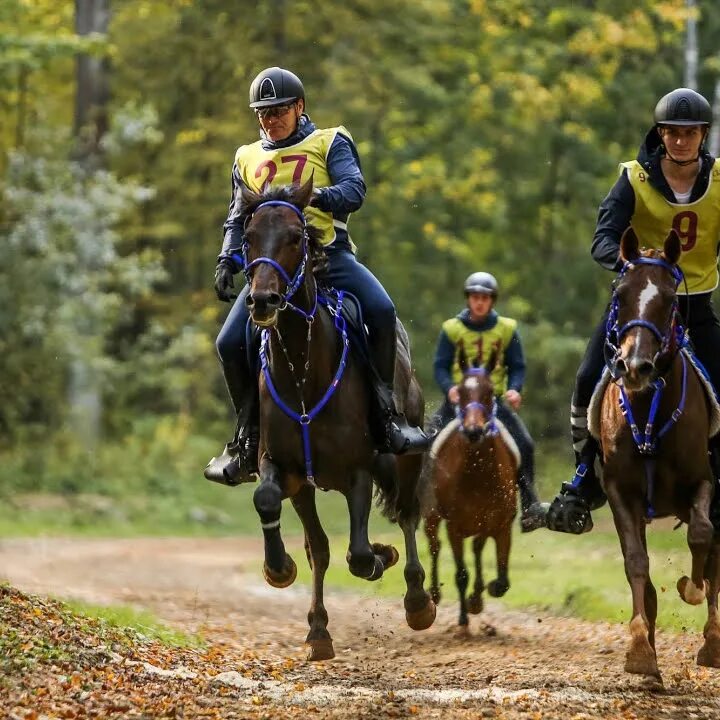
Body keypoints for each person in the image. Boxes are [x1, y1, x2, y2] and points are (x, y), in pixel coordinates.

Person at [204, 67, 427, 486]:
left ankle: (386, 418)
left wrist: (312, 197)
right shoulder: (246, 157)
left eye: (279, 111)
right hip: (271, 268)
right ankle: (247, 437)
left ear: (299, 107)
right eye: (263, 114)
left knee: (381, 310)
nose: (271, 120)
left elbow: (354, 190)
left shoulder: (330, 141)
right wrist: (227, 261)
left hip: (329, 257)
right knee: (229, 341)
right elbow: (237, 217)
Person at [545, 87, 720, 534]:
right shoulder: (634, 177)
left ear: (703, 135)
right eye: (673, 133)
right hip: (639, 303)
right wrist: (628, 260)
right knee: (588, 376)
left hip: (694, 304)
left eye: (690, 133)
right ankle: (585, 477)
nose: (681, 141)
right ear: (660, 135)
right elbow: (603, 237)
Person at [429, 271, 546, 532]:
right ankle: (419, 501)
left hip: (492, 404)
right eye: (474, 297)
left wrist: (515, 389)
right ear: (468, 299)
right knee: (426, 443)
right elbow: (439, 366)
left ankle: (529, 506)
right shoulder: (452, 329)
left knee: (524, 444)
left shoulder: (507, 328)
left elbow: (517, 366)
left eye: (484, 297)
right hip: (457, 402)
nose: (479, 302)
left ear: (492, 300)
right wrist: (449, 389)